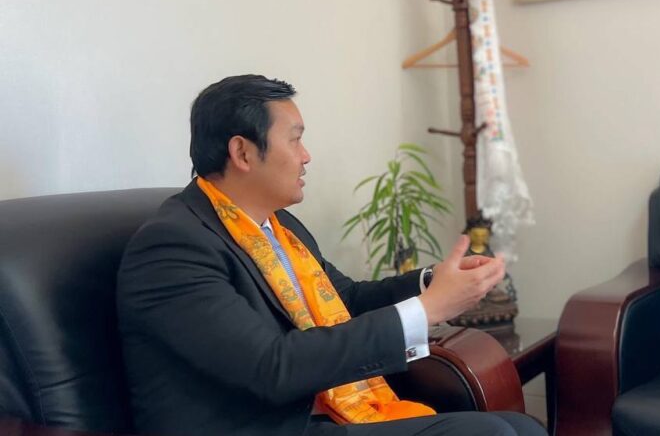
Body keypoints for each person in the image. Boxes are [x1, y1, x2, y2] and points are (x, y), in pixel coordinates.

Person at [117, 75, 546, 436]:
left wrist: (433, 282)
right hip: (267, 425)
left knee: (521, 427)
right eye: (295, 140)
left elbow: (347, 300)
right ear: (243, 152)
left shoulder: (278, 226)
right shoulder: (174, 248)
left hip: (319, 414)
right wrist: (428, 309)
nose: (306, 156)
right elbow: (270, 367)